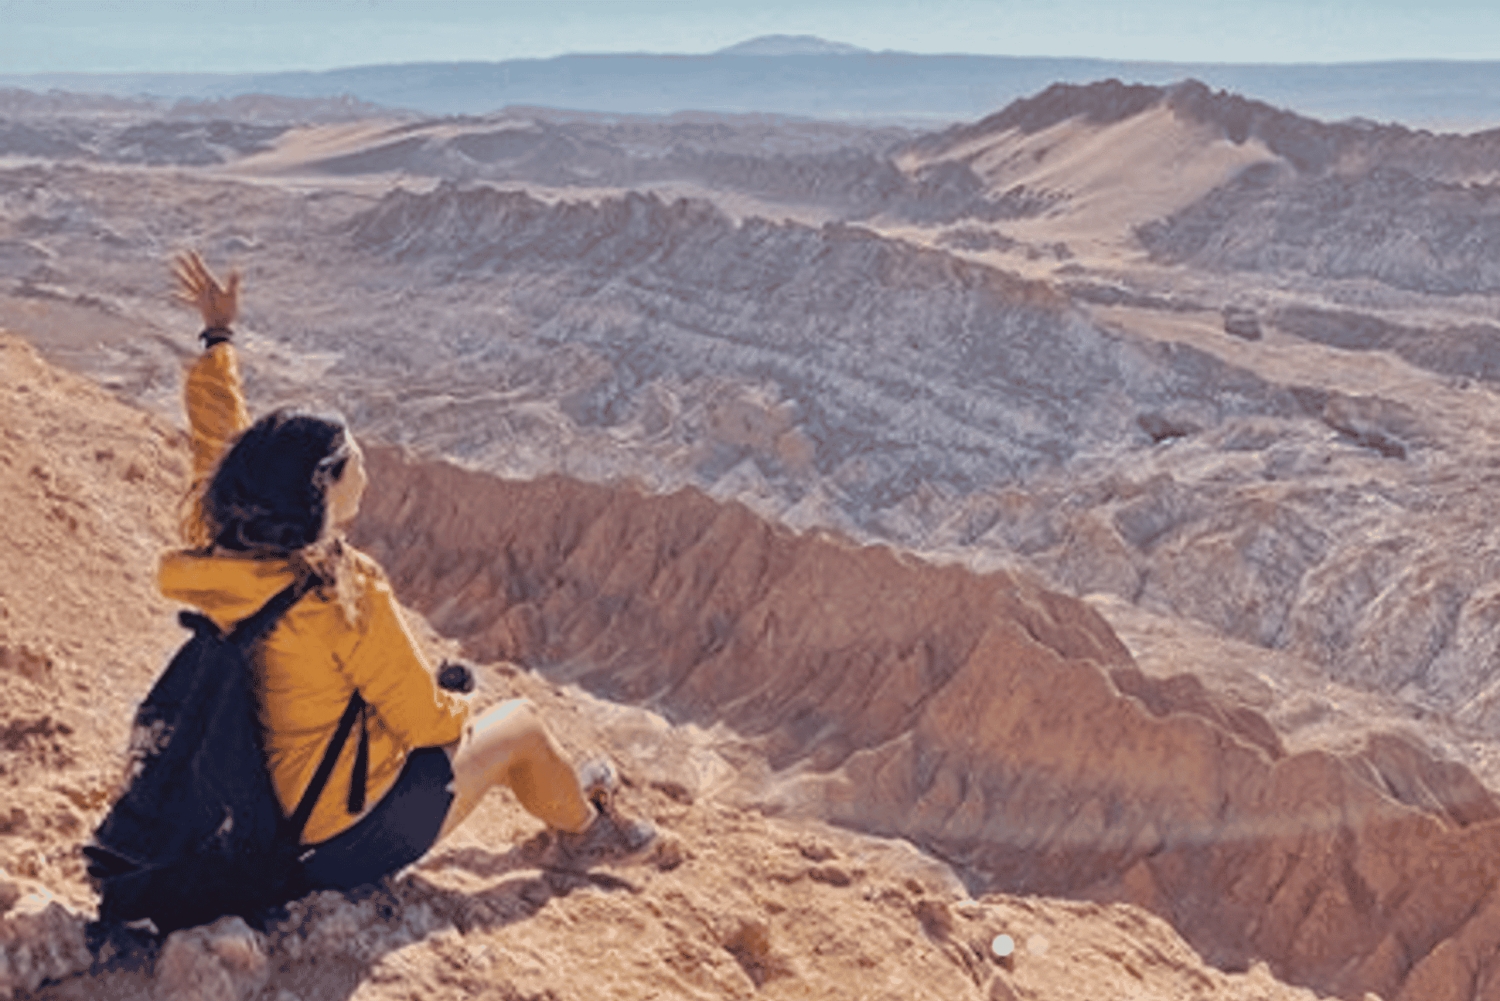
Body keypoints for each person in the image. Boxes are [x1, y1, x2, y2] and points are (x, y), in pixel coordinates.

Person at [158, 251, 646, 892]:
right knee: (520, 723)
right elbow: (427, 722)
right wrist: (464, 701)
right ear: (325, 485)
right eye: (354, 458)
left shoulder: (226, 543)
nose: (366, 467)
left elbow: (221, 444)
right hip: (332, 845)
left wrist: (219, 337)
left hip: (254, 819)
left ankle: (562, 798)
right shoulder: (341, 589)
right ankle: (587, 833)